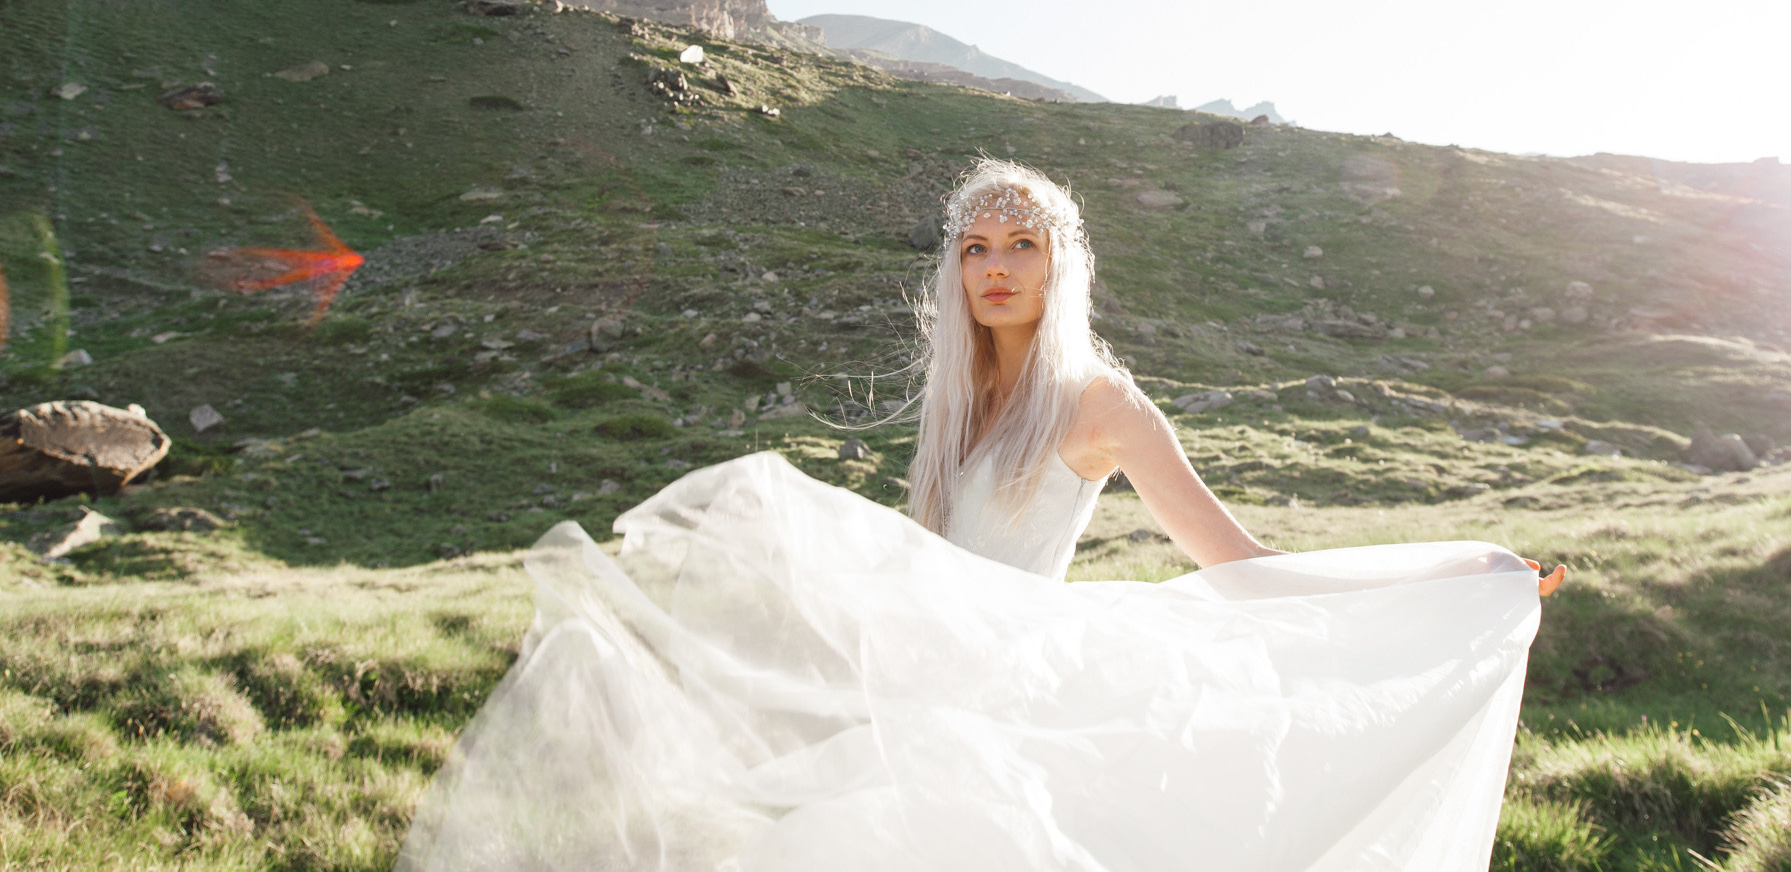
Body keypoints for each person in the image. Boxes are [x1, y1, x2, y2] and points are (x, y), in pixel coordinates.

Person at [397, 159, 1562, 872]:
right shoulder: (959, 402)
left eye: (1022, 245)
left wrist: (1449, 572)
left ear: (1062, 267)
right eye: (974, 247)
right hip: (916, 697)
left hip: (1007, 709)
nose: (995, 265)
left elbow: (1240, 567)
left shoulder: (1099, 402)